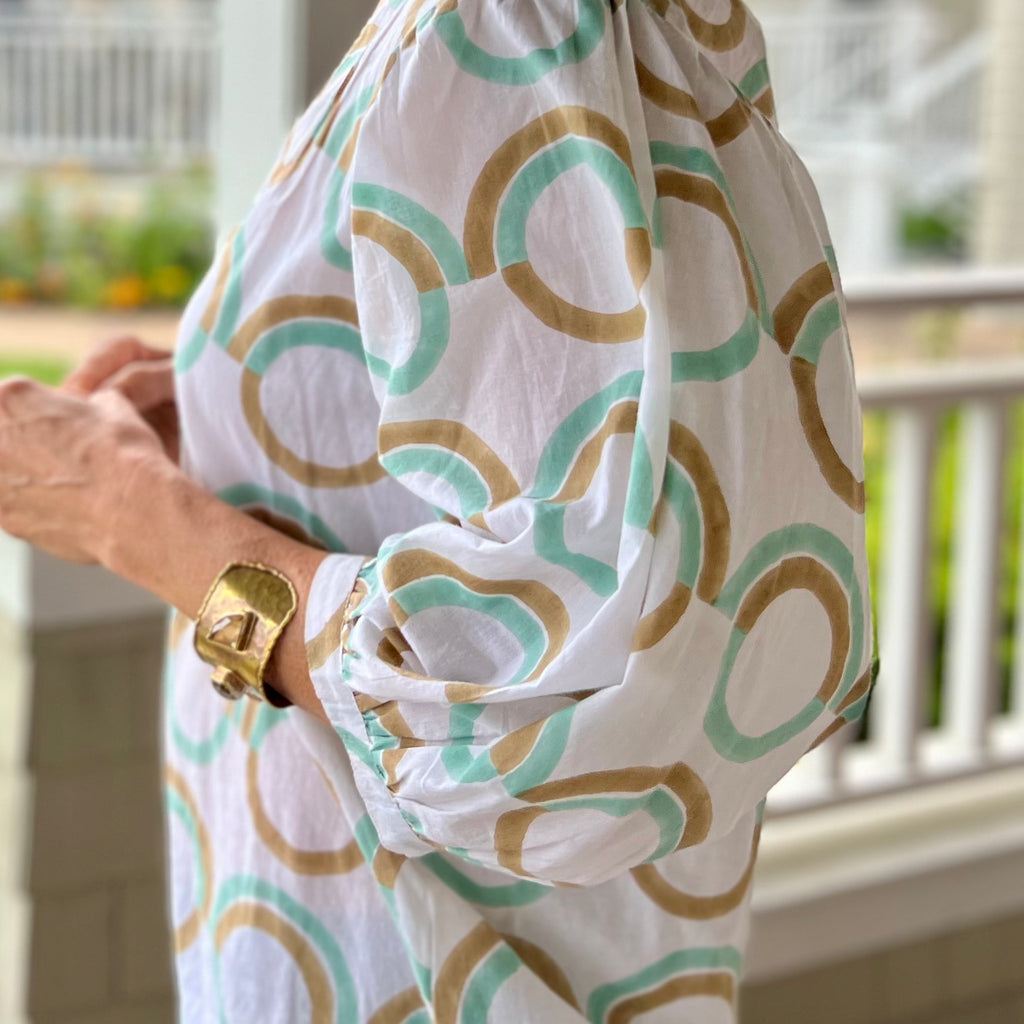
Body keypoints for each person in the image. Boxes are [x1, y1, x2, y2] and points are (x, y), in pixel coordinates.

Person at [0, 0, 877, 1019]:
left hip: (426, 972)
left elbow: (578, 707)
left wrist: (123, 511)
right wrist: (245, 407)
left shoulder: (507, 27)